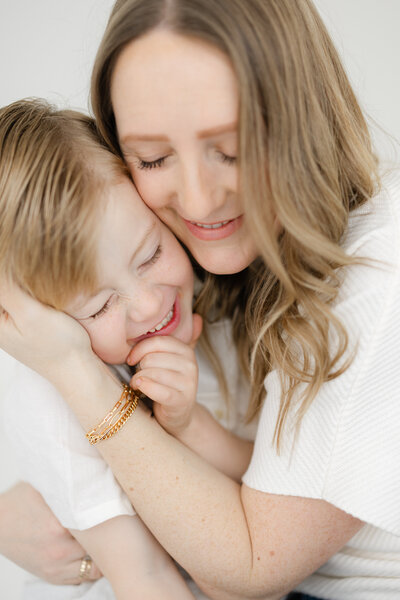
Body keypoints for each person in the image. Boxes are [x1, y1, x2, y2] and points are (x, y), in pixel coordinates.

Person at [1, 0, 399, 598]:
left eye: (231, 149)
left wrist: (73, 374)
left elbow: (245, 570)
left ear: (300, 120)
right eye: (153, 158)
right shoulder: (190, 269)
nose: (197, 199)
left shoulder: (378, 281)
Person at [0, 98, 253, 599]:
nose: (147, 305)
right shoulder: (53, 406)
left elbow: (265, 491)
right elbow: (147, 579)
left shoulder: (212, 305)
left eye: (152, 253)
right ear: (36, 323)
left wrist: (188, 425)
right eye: (98, 309)